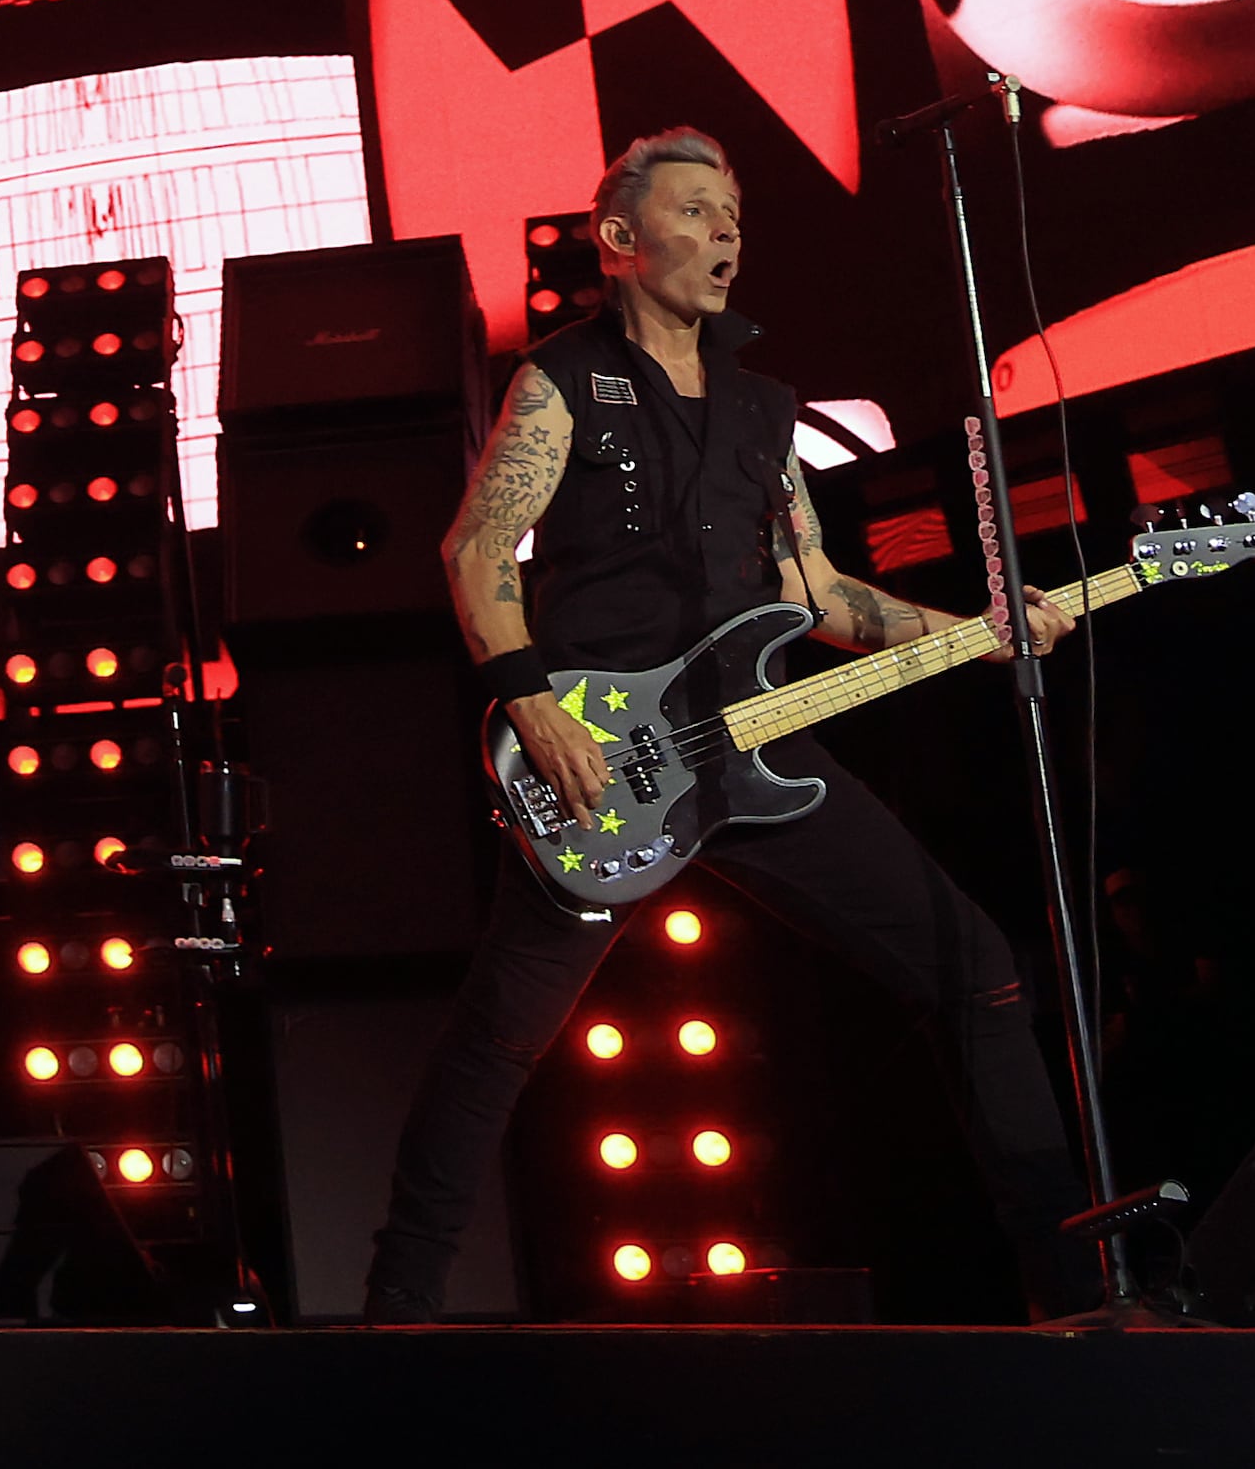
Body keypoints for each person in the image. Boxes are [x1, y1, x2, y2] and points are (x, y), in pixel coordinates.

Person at [362, 125, 1089, 1321]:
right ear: (617, 238)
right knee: (500, 1040)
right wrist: (530, 705)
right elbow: (477, 545)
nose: (724, 234)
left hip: (748, 738)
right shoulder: (561, 377)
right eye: (695, 211)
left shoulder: (762, 406)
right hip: (601, 746)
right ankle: (394, 1312)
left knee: (974, 967)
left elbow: (814, 596)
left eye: (733, 215)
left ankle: (1067, 1291)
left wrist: (978, 627)